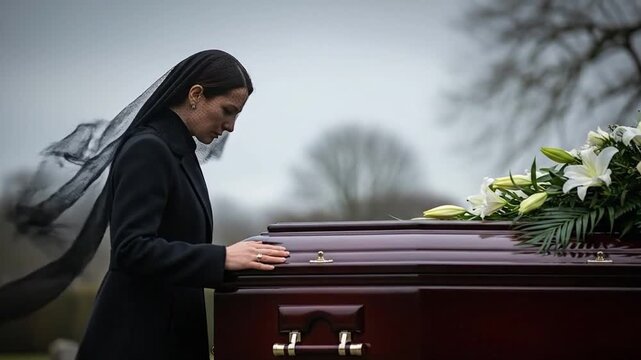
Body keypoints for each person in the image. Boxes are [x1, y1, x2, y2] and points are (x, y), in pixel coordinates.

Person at [70, 50, 289, 359]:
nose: (230, 126)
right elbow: (131, 249)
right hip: (137, 341)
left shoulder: (179, 151)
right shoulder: (147, 148)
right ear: (196, 94)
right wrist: (222, 257)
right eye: (228, 111)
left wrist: (246, 266)